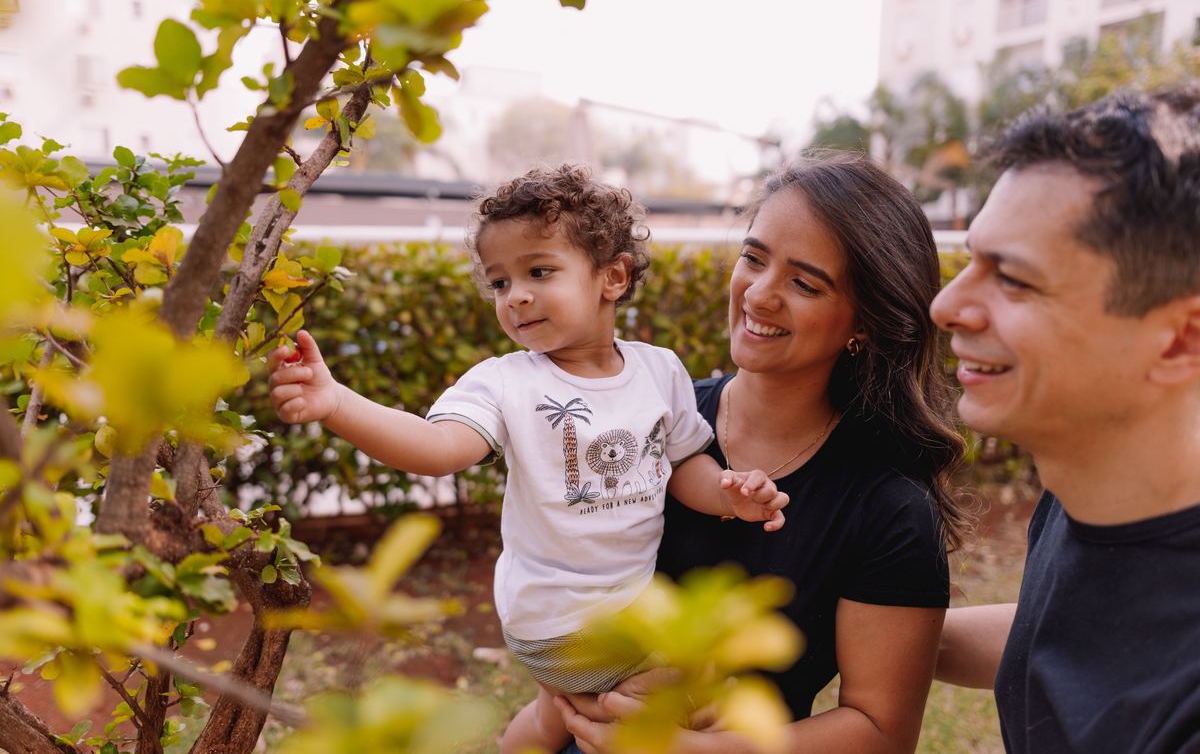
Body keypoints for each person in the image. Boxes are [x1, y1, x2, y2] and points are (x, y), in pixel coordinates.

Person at [266, 164, 788, 754]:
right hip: (558, 618)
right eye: (499, 282)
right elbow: (436, 449)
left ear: (612, 277)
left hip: (631, 603)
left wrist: (727, 493)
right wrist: (337, 403)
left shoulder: (658, 370)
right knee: (698, 683)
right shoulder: (506, 383)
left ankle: (531, 737)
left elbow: (684, 465)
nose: (514, 295)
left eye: (538, 271)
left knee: (555, 713)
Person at [556, 153, 972, 753]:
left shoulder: (889, 507)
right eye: (754, 258)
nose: (759, 294)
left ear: (865, 322)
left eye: (805, 284)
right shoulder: (648, 417)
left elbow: (882, 731)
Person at [930, 86, 1200, 753]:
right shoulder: (1097, 475)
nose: (947, 305)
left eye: (1014, 280)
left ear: (1179, 340)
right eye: (971, 260)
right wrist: (850, 633)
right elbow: (1068, 636)